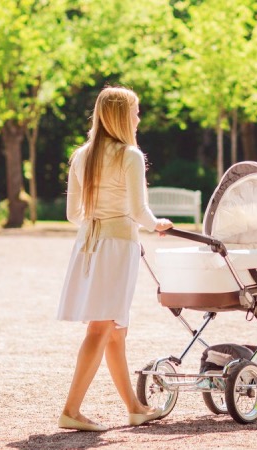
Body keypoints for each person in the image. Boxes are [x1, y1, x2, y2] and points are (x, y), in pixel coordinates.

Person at [56, 86, 173, 431]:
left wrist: (98, 224)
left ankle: (135, 408)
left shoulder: (82, 155)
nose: (138, 118)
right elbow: (139, 211)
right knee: (102, 326)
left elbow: (72, 214)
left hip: (88, 245)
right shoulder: (129, 155)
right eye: (135, 111)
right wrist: (157, 225)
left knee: (115, 331)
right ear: (123, 116)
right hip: (117, 248)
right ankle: (72, 411)